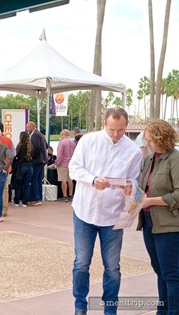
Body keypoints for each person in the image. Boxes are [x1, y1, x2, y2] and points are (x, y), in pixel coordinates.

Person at [69, 107, 143, 315]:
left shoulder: (133, 151)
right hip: (85, 210)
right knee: (82, 262)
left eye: (120, 130)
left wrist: (130, 186)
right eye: (112, 129)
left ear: (126, 126)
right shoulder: (88, 141)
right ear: (104, 124)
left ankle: (110, 309)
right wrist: (92, 180)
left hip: (113, 215)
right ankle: (80, 306)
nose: (116, 134)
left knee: (112, 266)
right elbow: (75, 168)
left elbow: (135, 179)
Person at [136, 120, 179, 314]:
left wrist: (151, 201)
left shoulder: (175, 159)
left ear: (162, 139)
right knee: (160, 271)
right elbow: (143, 187)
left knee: (171, 274)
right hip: (149, 223)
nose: (147, 144)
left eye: (150, 140)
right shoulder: (150, 159)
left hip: (169, 225)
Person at [0, 122, 15, 217]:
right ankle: (4, 210)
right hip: (6, 168)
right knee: (5, 189)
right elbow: (13, 154)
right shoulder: (8, 140)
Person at [26, 121, 47, 206]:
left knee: (34, 178)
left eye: (28, 127)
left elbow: (36, 148)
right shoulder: (40, 134)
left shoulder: (35, 135)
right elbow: (46, 145)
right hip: (42, 160)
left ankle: (36, 198)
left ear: (31, 127)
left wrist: (31, 156)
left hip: (37, 160)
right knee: (38, 179)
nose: (27, 129)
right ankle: (39, 198)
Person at [12, 131, 33, 208]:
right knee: (27, 184)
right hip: (30, 166)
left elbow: (15, 155)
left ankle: (17, 201)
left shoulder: (20, 145)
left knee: (18, 184)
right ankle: (25, 202)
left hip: (21, 166)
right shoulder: (30, 146)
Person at [56, 129, 76, 202]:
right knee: (70, 180)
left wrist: (57, 163)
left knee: (63, 180)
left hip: (63, 163)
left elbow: (59, 154)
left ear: (62, 134)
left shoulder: (62, 142)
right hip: (71, 163)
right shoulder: (73, 142)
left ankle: (65, 196)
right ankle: (71, 195)